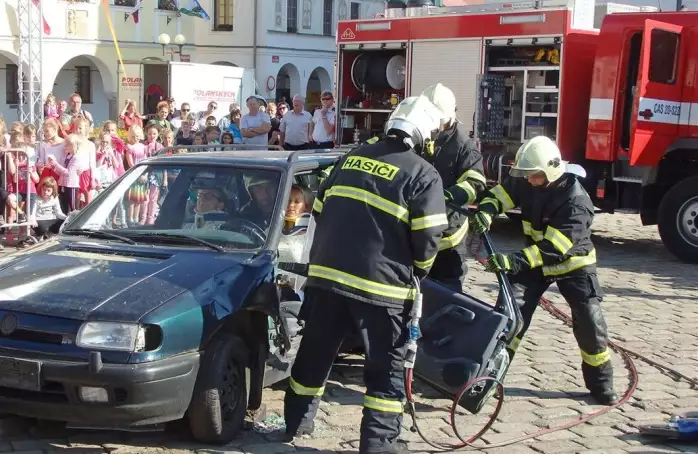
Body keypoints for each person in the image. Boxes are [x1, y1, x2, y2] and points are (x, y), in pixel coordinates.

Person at [282, 95, 448, 454]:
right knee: (385, 371)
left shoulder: (349, 159)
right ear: (423, 135)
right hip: (382, 289)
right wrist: (417, 271)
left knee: (315, 354)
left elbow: (321, 209)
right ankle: (379, 445)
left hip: (326, 278)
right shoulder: (423, 173)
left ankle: (295, 423)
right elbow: (430, 236)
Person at [471, 135, 618, 406]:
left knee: (590, 323)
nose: (529, 181)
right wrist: (487, 211)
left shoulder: (577, 203)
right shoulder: (530, 178)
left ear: (550, 171)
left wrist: (512, 261)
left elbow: (554, 248)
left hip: (573, 267)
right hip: (535, 264)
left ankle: (601, 385)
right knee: (509, 318)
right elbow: (501, 195)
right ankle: (487, 379)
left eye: (534, 176)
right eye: (527, 175)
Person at [420, 83, 487, 290]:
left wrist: (446, 197)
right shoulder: (420, 136)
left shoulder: (463, 146)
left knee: (449, 292)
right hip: (417, 234)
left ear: (449, 116)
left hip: (448, 238)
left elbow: (475, 182)